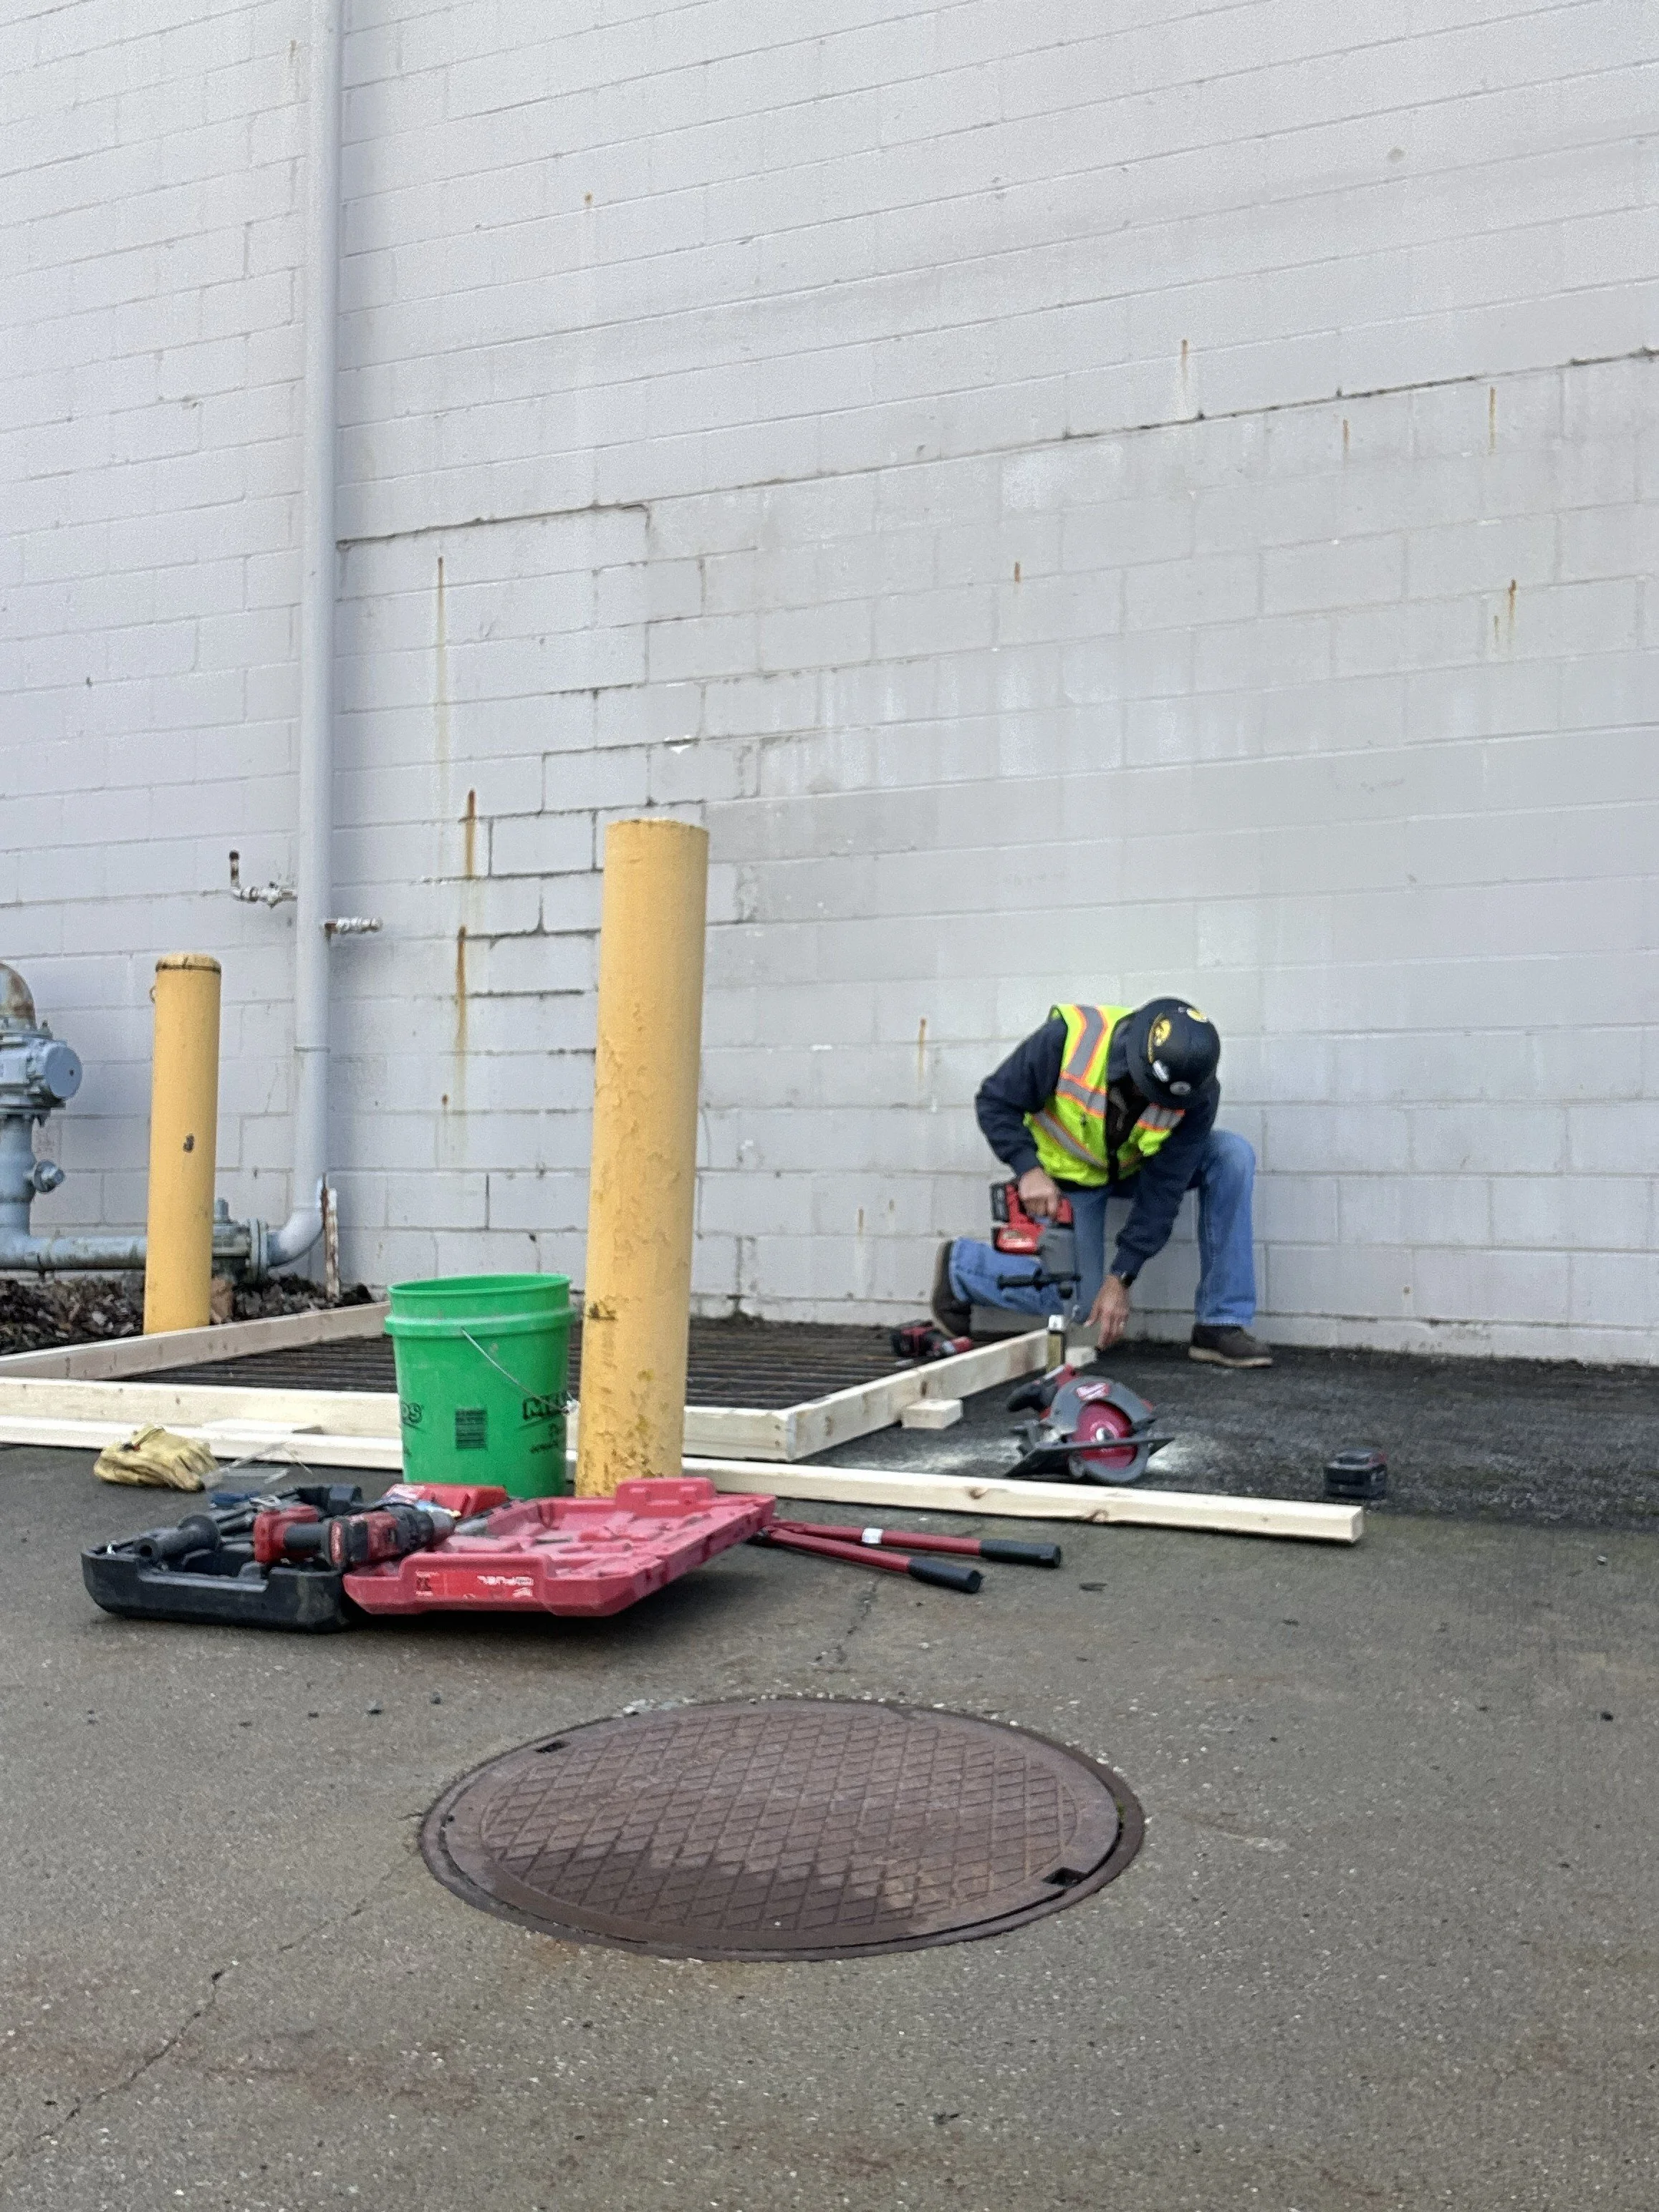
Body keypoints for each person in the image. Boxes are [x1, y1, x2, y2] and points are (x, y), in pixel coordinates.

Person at [933, 998, 1272, 1367]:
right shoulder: (1067, 1041)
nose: (1154, 1103)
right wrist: (1028, 1168)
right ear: (1135, 1059)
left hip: (1135, 1170)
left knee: (1231, 1154)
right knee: (1081, 1307)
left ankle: (1220, 1323)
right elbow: (995, 1102)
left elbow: (1164, 1191)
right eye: (1149, 1091)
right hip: (1074, 1178)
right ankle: (962, 1268)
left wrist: (1121, 1277)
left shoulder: (1195, 1090)